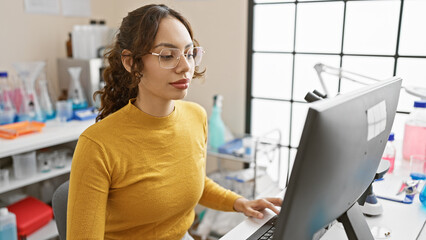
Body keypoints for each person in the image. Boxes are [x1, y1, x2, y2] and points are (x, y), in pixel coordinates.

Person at [67, 4, 282, 240]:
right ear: (131, 63)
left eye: (189, 53)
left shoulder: (196, 116)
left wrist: (240, 203)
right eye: (168, 56)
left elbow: (192, 182)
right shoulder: (97, 145)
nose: (186, 67)